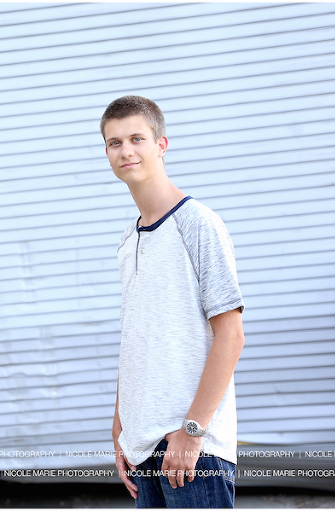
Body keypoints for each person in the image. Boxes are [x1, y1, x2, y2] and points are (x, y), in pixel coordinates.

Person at [101, 95, 246, 508]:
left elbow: (231, 335)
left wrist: (193, 431)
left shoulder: (198, 223)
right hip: (142, 446)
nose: (126, 150)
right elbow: (137, 341)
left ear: (161, 144)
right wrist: (121, 430)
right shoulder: (128, 243)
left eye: (136, 138)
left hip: (190, 448)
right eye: (114, 143)